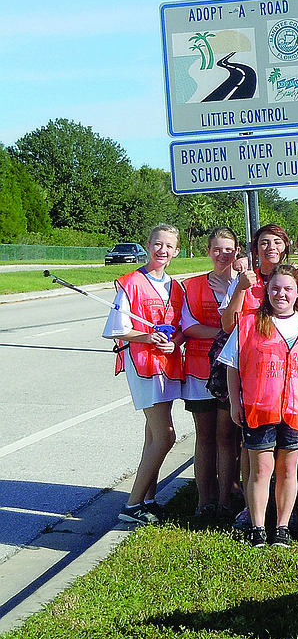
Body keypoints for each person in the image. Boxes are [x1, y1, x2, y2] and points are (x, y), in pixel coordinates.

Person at [221, 264, 298, 547]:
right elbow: (232, 367)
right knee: (261, 469)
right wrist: (236, 402)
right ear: (266, 291)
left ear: (297, 292)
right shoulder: (248, 323)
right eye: (274, 288)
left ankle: (282, 527)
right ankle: (258, 527)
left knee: (288, 468)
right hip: (259, 408)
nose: (280, 294)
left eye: (287, 289)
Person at [103, 224, 187, 525]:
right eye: (157, 244)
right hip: (142, 366)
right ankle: (132, 504)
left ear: (177, 251)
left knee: (152, 434)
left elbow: (182, 329)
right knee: (165, 437)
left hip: (165, 365)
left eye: (168, 246)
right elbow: (116, 330)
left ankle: (148, 499)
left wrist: (173, 343)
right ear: (147, 245)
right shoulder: (130, 282)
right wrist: (147, 337)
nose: (162, 250)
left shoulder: (176, 287)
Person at [219, 223, 292, 528]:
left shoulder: (291, 280)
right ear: (255, 248)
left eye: (276, 242)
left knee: (288, 454)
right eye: (264, 242)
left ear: (285, 247)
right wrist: (239, 287)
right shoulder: (245, 279)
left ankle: (285, 511)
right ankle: (253, 512)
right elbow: (227, 325)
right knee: (253, 453)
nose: (270, 247)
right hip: (252, 381)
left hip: (286, 384)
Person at [181, 227, 240, 521]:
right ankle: (205, 501)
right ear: (208, 251)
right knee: (205, 437)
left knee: (227, 436)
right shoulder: (191, 286)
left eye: (228, 249)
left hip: (229, 373)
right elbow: (188, 327)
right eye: (217, 249)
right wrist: (224, 332)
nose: (222, 255)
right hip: (198, 372)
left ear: (237, 251)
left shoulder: (245, 283)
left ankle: (226, 499)